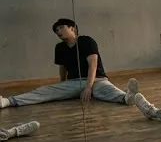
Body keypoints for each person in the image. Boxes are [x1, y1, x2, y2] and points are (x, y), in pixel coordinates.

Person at [0, 18, 139, 109]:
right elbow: (62, 68)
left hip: (96, 80)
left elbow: (93, 65)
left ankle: (126, 97)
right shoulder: (59, 47)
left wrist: (88, 88)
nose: (58, 31)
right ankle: (8, 101)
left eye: (61, 27)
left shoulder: (86, 41)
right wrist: (62, 84)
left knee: (106, 91)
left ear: (72, 28)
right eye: (56, 30)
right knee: (44, 91)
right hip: (73, 82)